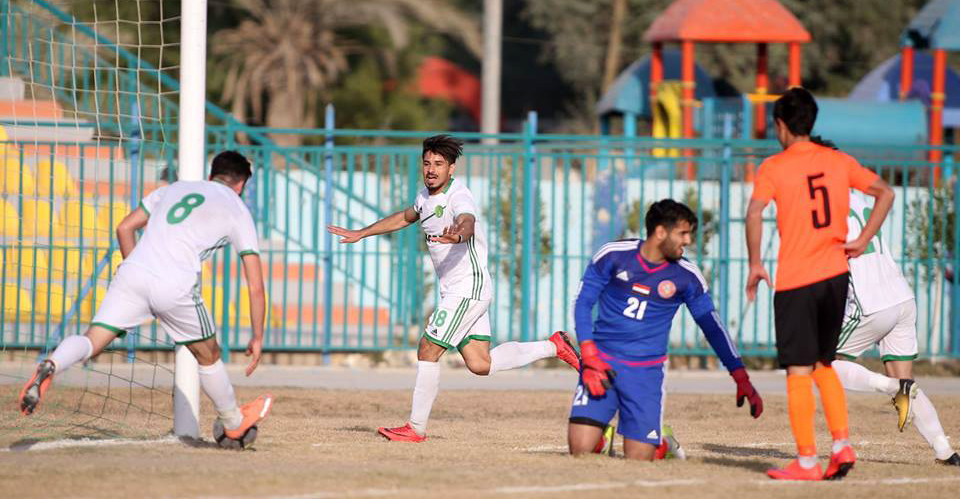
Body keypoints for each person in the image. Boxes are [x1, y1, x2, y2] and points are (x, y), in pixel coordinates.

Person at [327, 134, 580, 442]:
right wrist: (362, 232)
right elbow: (407, 216)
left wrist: (459, 235)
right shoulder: (424, 197)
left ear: (452, 168)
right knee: (479, 363)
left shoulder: (459, 195)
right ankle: (555, 346)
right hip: (461, 290)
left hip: (468, 288)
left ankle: (415, 428)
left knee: (428, 348)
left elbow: (467, 220)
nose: (431, 169)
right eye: (427, 163)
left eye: (439, 164)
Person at [19, 151, 273, 445]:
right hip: (174, 283)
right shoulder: (238, 209)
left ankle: (52, 363)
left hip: (133, 272)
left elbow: (124, 227)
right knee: (208, 354)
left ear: (212, 174)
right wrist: (257, 335)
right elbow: (255, 284)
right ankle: (233, 423)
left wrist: (139, 283)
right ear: (240, 184)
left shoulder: (174, 188)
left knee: (92, 340)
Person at [746, 87, 895, 480]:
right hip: (835, 276)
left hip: (797, 279)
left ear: (780, 125)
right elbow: (885, 192)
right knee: (823, 365)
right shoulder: (837, 160)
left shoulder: (774, 168)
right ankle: (842, 445)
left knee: (797, 371)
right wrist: (861, 240)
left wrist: (756, 263)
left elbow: (755, 212)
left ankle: (808, 460)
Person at [568, 199, 763, 461]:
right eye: (682, 233)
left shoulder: (687, 276)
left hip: (645, 372)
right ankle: (603, 435)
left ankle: (662, 443)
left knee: (638, 460)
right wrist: (589, 356)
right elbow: (583, 303)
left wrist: (740, 376)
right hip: (601, 363)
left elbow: (712, 327)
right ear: (660, 232)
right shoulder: (613, 255)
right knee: (579, 450)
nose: (688, 241)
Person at [833, 189, 959, 466]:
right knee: (907, 384)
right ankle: (944, 449)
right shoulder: (857, 197)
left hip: (872, 302)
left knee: (822, 364)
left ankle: (889, 385)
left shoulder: (826, 203)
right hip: (901, 295)